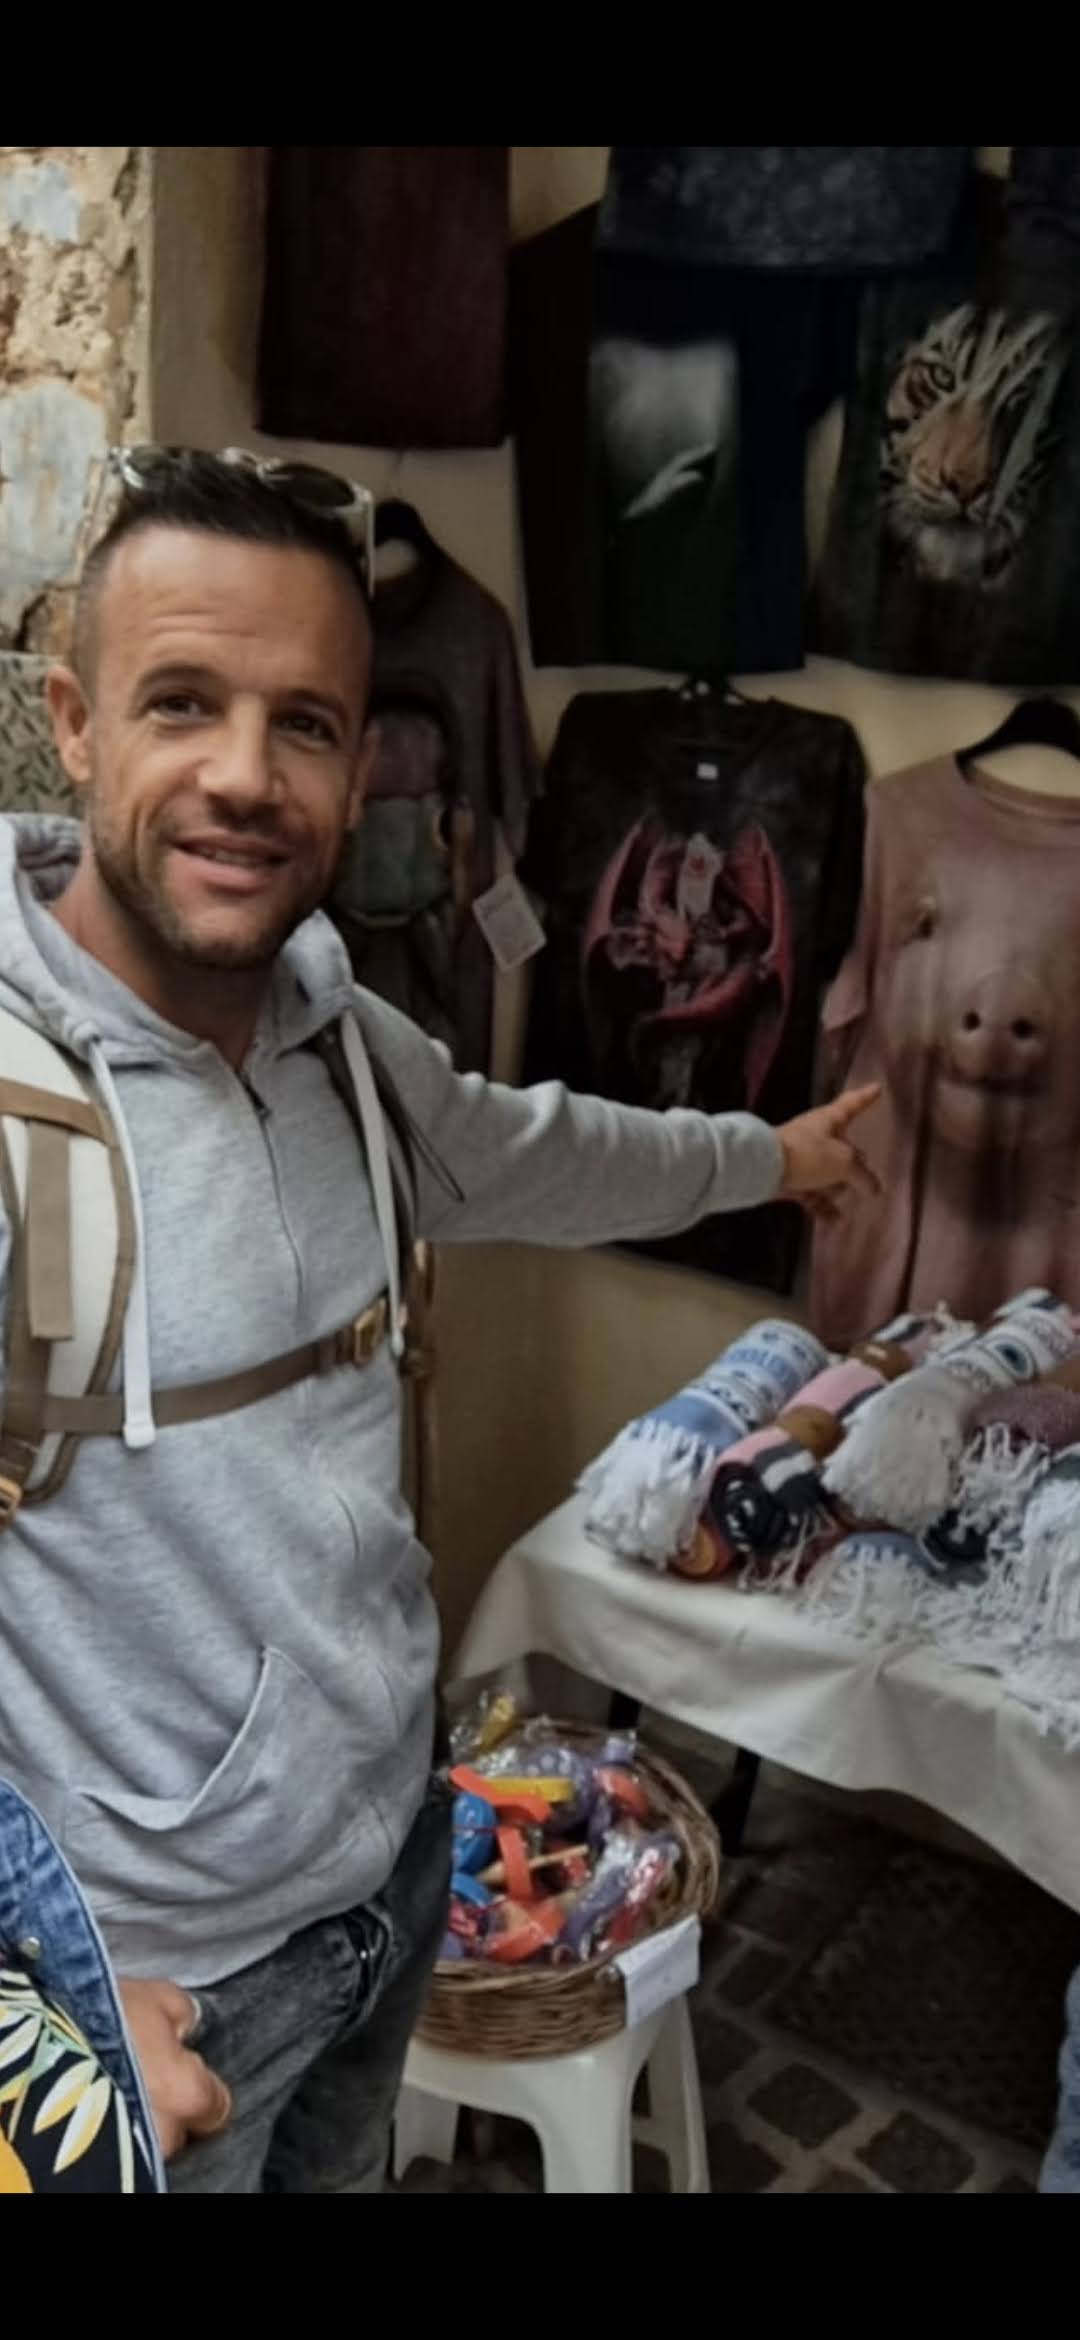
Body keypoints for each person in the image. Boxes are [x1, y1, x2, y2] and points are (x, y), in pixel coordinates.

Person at [0, 446, 879, 2194]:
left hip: (388, 1879)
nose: (244, 777)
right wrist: (26, 2004)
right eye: (181, 703)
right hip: (156, 1995)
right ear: (75, 725)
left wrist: (769, 1159)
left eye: (306, 725)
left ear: (361, 771)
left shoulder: (349, 1050)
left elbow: (546, 1150)